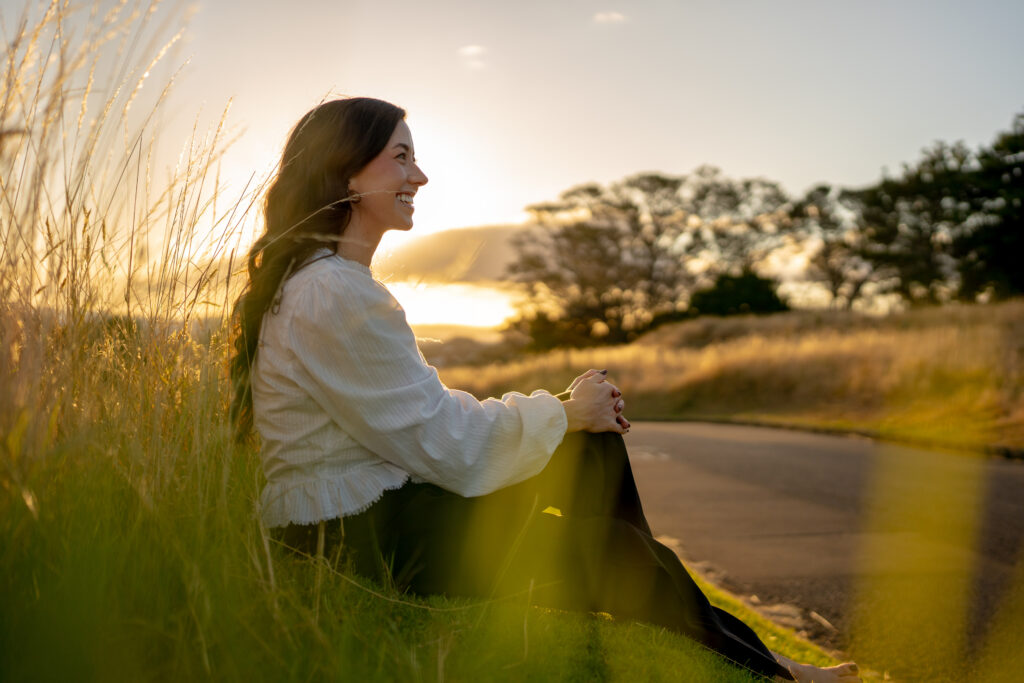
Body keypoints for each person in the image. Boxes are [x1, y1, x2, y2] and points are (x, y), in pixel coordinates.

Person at [229, 97, 860, 683]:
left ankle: (738, 644)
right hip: (356, 537)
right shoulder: (334, 291)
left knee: (591, 448)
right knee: (610, 537)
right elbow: (442, 443)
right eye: (401, 157)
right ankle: (768, 668)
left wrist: (572, 418)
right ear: (347, 175)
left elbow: (426, 423)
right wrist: (564, 411)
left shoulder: (330, 283)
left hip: (379, 512)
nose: (419, 177)